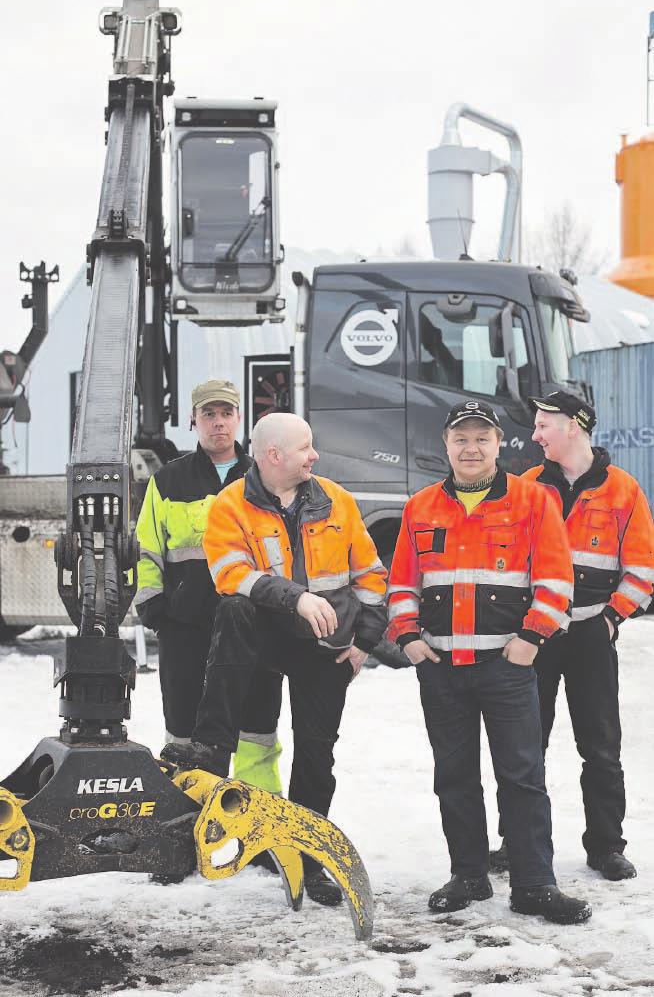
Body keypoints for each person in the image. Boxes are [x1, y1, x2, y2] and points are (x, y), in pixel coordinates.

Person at [161, 412, 388, 906]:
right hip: (263, 635)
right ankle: (212, 746)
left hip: (326, 646)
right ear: (274, 456)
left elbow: (372, 577)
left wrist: (364, 644)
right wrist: (297, 598)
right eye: (305, 447)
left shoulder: (336, 500)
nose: (315, 455)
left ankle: (310, 859)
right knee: (235, 609)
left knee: (316, 755)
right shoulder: (231, 505)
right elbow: (228, 574)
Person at [386, 399, 591, 925]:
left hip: (508, 665)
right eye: (461, 438)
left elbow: (556, 580)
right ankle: (469, 875)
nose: (471, 447)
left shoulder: (533, 501)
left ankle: (534, 884)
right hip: (442, 667)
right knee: (454, 775)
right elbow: (403, 583)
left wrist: (532, 637)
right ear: (446, 445)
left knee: (522, 775)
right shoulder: (421, 506)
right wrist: (408, 637)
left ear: (500, 444)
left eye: (482, 437)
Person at [490, 391, 654, 881]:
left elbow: (643, 568)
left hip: (589, 635)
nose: (535, 435)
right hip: (535, 635)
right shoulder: (525, 487)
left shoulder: (624, 490)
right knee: (524, 744)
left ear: (575, 428)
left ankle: (606, 846)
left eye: (544, 426)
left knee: (600, 746)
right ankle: (516, 841)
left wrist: (609, 620)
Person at [134, 380, 284, 795]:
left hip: (255, 625)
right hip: (185, 626)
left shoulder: (266, 477)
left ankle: (261, 826)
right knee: (183, 730)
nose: (218, 424)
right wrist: (155, 609)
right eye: (208, 415)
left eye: (226, 414)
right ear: (193, 421)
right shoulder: (168, 480)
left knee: (257, 729)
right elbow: (147, 548)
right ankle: (182, 825)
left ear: (240, 419)